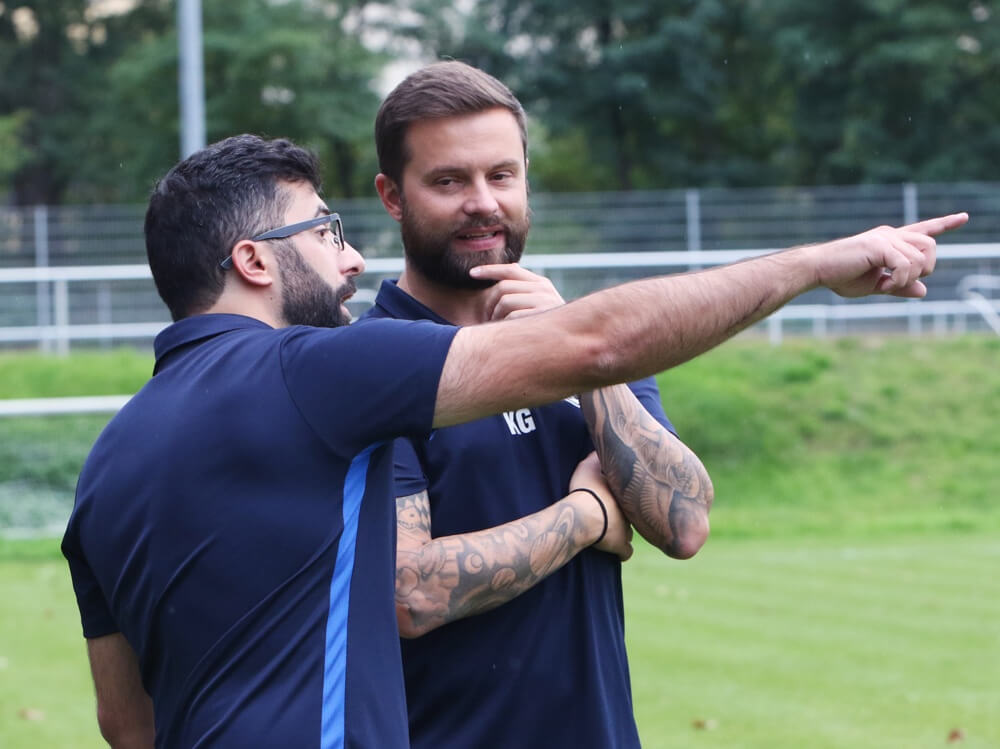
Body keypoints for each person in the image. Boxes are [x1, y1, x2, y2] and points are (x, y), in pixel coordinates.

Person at [61, 133, 964, 749]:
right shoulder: (312, 371)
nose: (352, 260)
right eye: (327, 232)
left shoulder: (104, 468)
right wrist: (816, 263)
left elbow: (126, 723)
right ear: (255, 259)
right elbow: (597, 342)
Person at [364, 61, 713, 748]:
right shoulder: (371, 365)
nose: (483, 202)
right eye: (448, 180)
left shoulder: (590, 341)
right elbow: (411, 591)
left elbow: (685, 524)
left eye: (501, 175)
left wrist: (580, 362)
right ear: (392, 196)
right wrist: (585, 517)